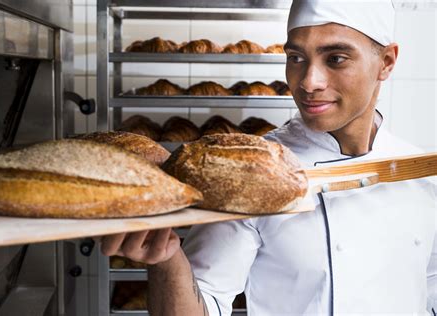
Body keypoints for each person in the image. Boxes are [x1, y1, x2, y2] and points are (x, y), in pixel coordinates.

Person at [101, 1, 437, 315]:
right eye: (296, 57)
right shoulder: (251, 173)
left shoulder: (421, 171)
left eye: (335, 58)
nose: (308, 82)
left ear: (387, 63)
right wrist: (166, 258)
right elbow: (204, 304)